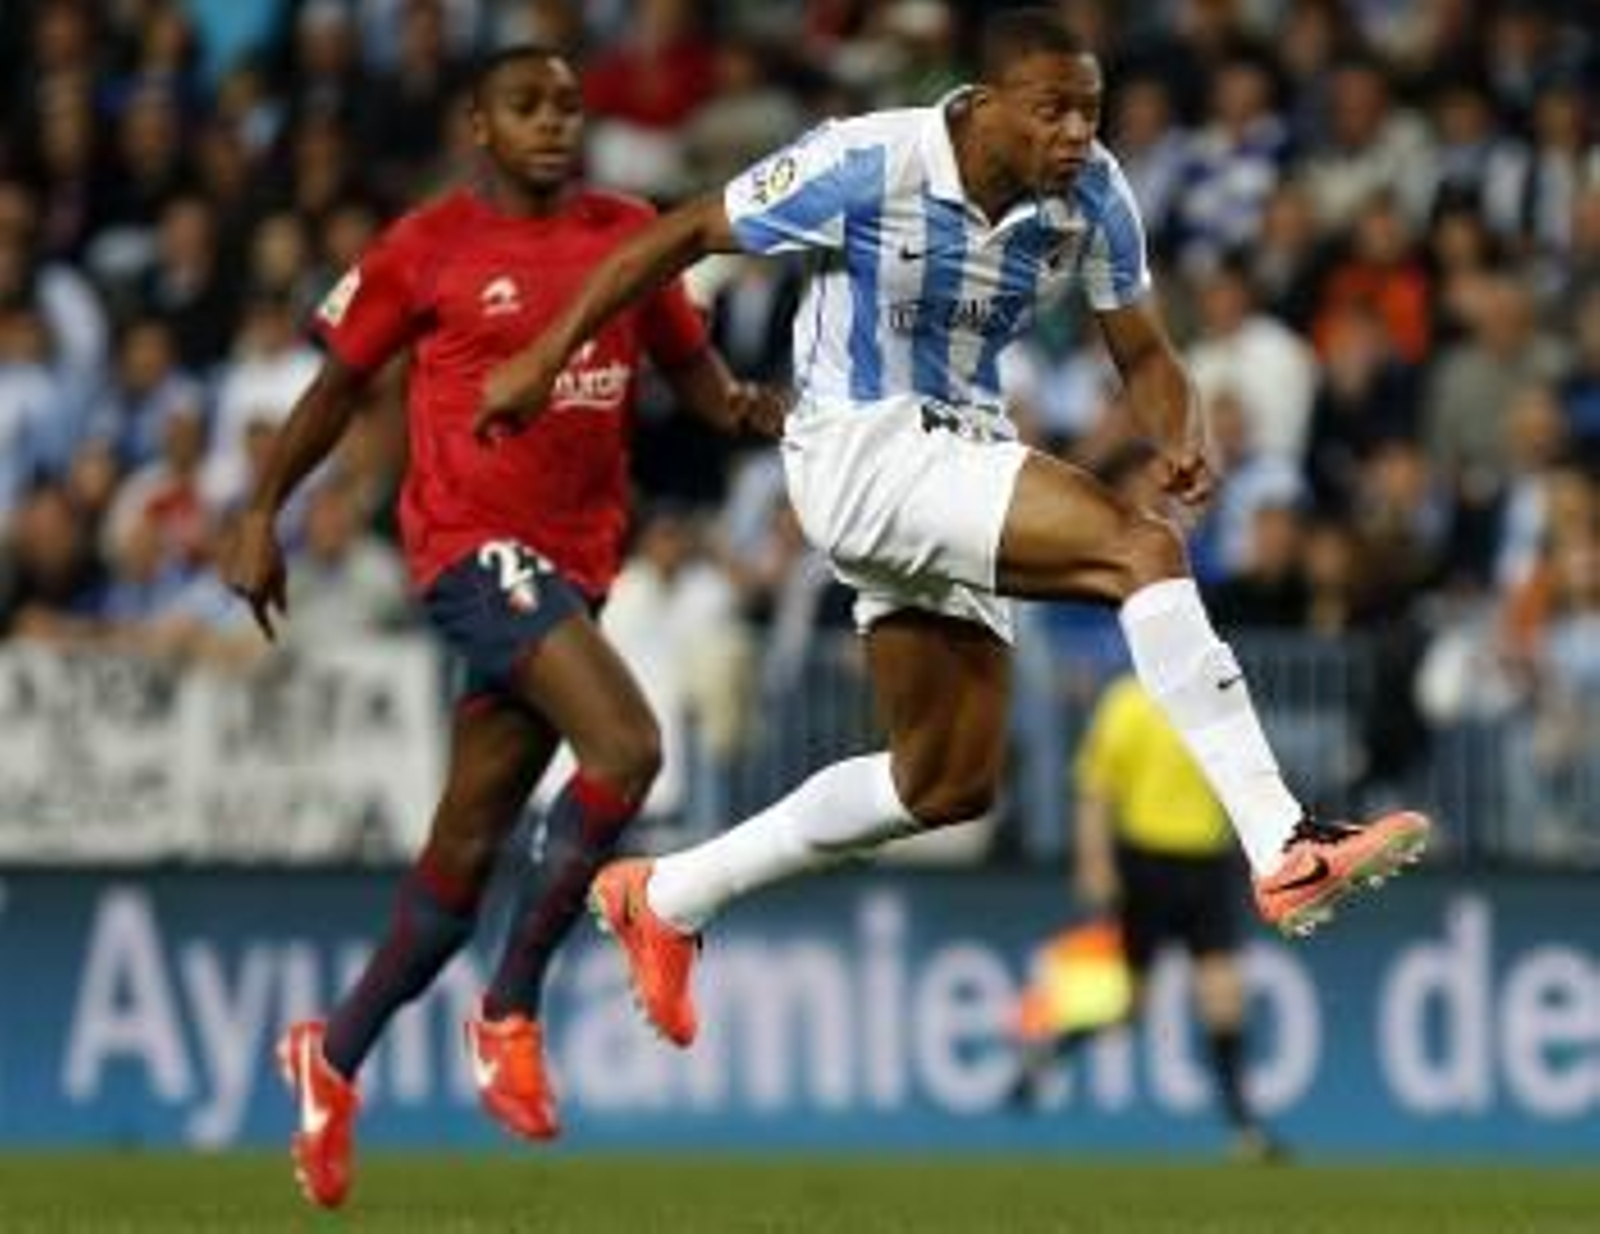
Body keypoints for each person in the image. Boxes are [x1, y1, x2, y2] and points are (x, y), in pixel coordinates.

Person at [476, 9, 1431, 1053]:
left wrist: (1178, 430)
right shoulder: (866, 160)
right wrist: (540, 359)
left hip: (952, 455)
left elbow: (1144, 350)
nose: (1077, 133)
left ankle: (668, 894)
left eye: (1090, 111)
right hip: (857, 444)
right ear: (984, 106)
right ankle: (1281, 839)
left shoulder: (1095, 195)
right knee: (1139, 549)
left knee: (943, 782)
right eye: (1052, 110)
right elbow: (669, 237)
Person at [223, 45, 781, 1208]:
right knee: (628, 748)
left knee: (462, 858)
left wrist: (758, 412)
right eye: (526, 106)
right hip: (469, 553)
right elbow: (331, 389)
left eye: (569, 107)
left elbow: (696, 379)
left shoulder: (628, 233)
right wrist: (260, 514)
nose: (553, 124)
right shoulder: (422, 247)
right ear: (478, 124)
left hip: (572, 574)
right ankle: (510, 1009)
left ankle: (329, 1057)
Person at [1013, 665, 1286, 1162]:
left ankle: (1245, 1129)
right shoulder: (1127, 703)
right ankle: (1049, 1046)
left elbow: (1248, 784)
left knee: (1224, 997)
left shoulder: (1220, 701)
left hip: (1207, 865)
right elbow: (1096, 791)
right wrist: (1094, 864)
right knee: (1128, 1007)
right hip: (1146, 864)